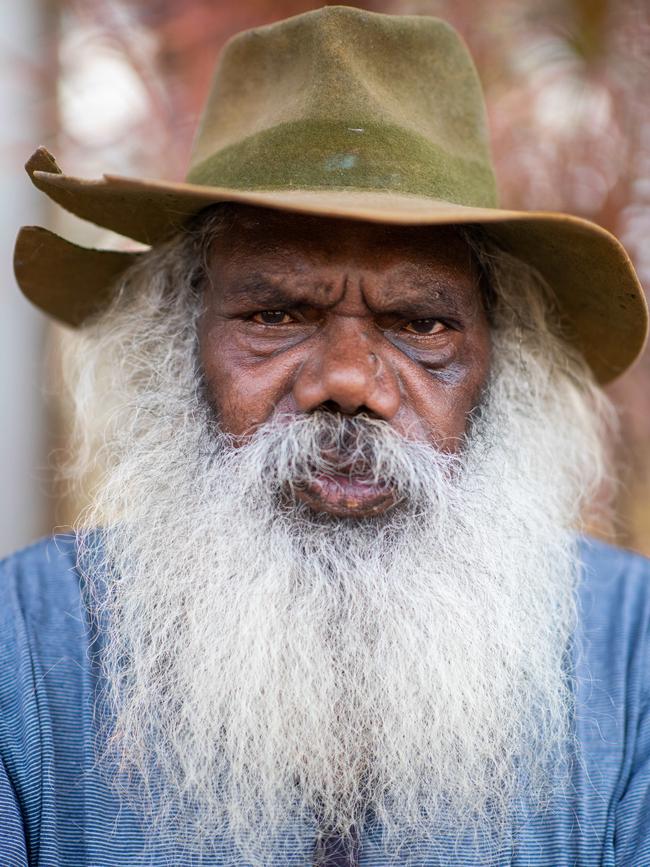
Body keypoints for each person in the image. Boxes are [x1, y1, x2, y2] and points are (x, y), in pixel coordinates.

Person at [3, 6, 650, 866]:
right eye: (276, 314)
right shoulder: (22, 649)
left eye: (420, 324)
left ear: (506, 364)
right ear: (177, 345)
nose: (347, 380)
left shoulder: (634, 654)